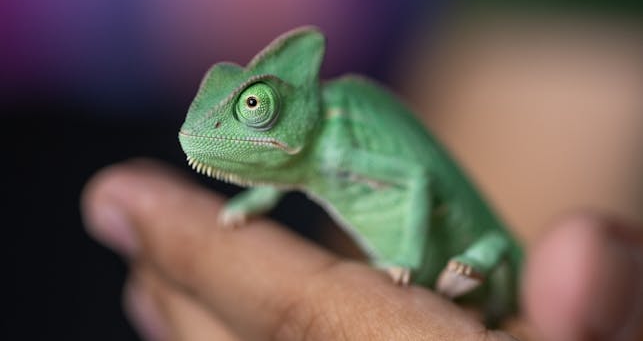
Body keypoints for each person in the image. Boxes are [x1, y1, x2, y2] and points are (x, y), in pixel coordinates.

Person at [81, 159, 643, 340]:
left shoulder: (339, 133)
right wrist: (253, 201)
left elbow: (417, 178)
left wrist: (407, 261)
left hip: (484, 259)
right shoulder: (305, 156)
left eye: (254, 108)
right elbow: (295, 168)